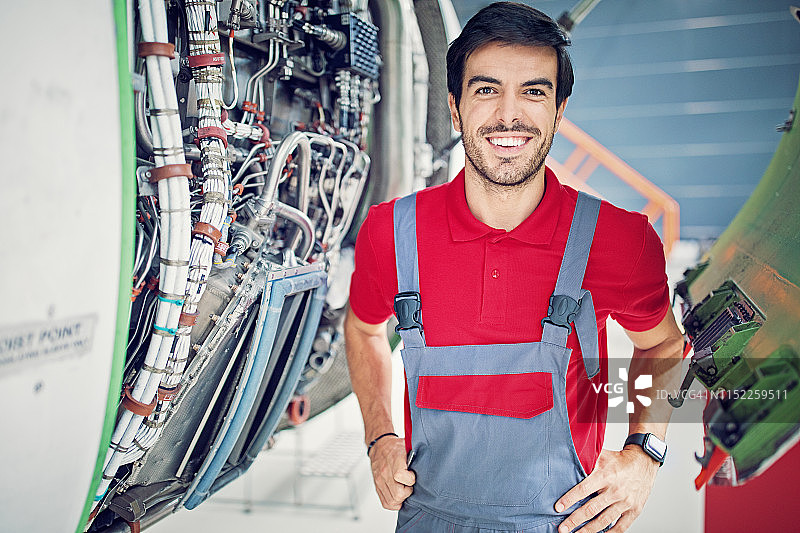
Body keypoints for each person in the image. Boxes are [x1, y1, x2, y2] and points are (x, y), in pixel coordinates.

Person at [345, 2, 684, 532]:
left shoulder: (620, 240)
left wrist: (645, 452)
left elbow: (663, 346)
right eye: (486, 90)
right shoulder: (392, 232)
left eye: (533, 91)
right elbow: (362, 328)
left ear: (559, 110)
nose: (509, 115)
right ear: (455, 109)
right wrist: (379, 435)